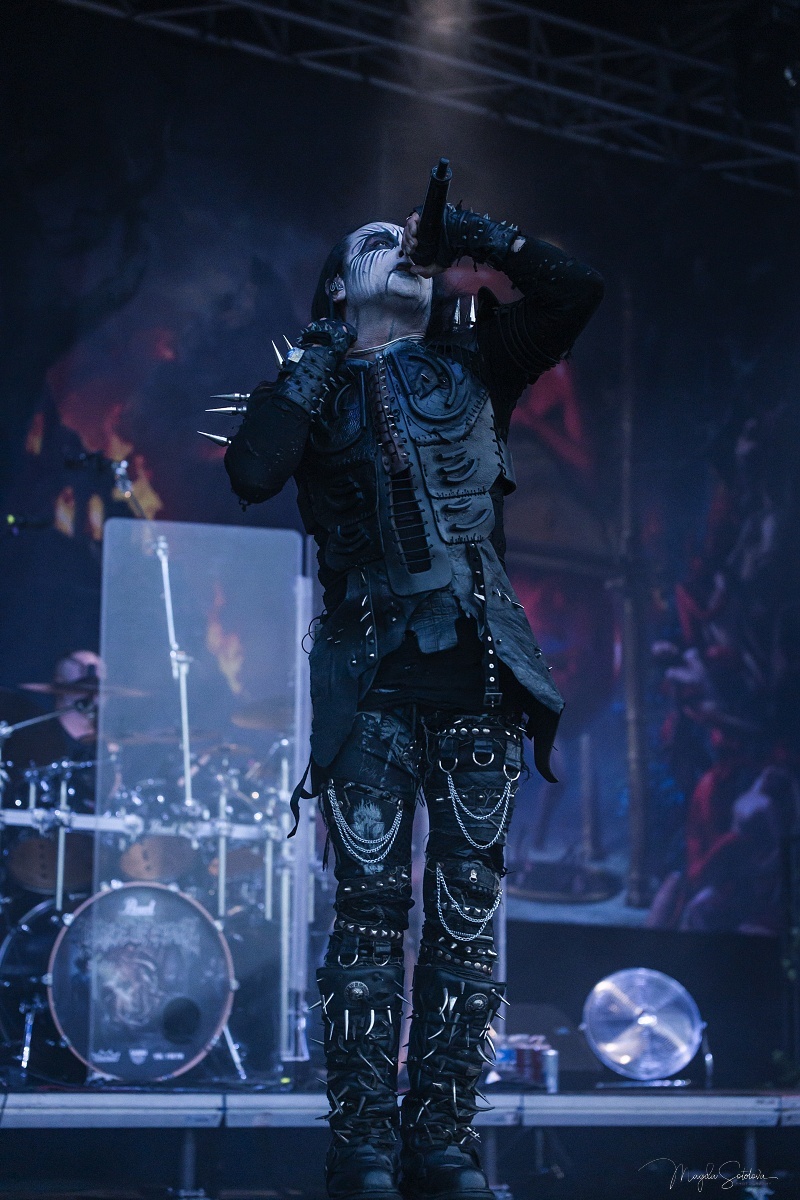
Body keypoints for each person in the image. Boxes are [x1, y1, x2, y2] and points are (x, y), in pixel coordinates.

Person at [224, 199, 603, 1200]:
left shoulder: (476, 366)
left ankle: (443, 1142)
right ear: (337, 286)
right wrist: (321, 352)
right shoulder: (308, 391)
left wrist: (475, 233)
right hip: (368, 686)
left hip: (479, 678)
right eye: (374, 244)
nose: (398, 246)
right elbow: (252, 470)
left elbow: (578, 291)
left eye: (408, 245)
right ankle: (360, 1147)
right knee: (367, 915)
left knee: (465, 917)